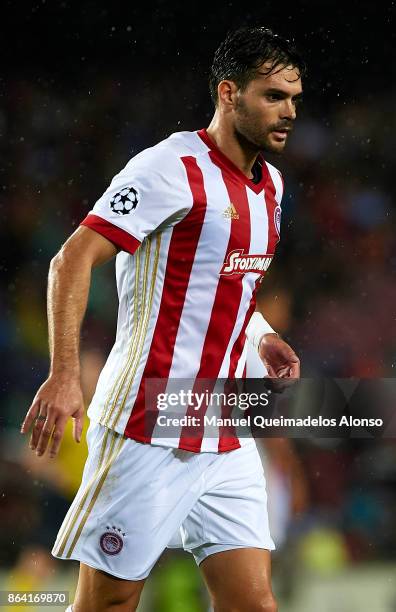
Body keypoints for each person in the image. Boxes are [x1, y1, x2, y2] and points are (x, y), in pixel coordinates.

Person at [21, 25, 304, 612]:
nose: (289, 112)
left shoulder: (271, 186)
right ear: (228, 94)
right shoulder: (168, 167)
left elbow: (227, 284)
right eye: (272, 96)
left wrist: (264, 336)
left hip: (223, 426)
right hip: (148, 424)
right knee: (110, 603)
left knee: (255, 604)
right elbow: (71, 258)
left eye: (294, 99)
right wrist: (65, 374)